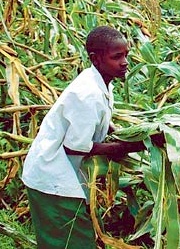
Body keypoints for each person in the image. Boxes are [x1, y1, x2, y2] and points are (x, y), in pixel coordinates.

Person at [22, 25, 143, 249]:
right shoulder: (87, 94)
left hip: (60, 175)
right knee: (70, 242)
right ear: (95, 59)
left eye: (126, 55)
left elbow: (100, 121)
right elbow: (76, 146)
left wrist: (128, 135)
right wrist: (126, 147)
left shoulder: (101, 81)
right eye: (117, 57)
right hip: (52, 178)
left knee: (66, 240)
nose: (125, 62)